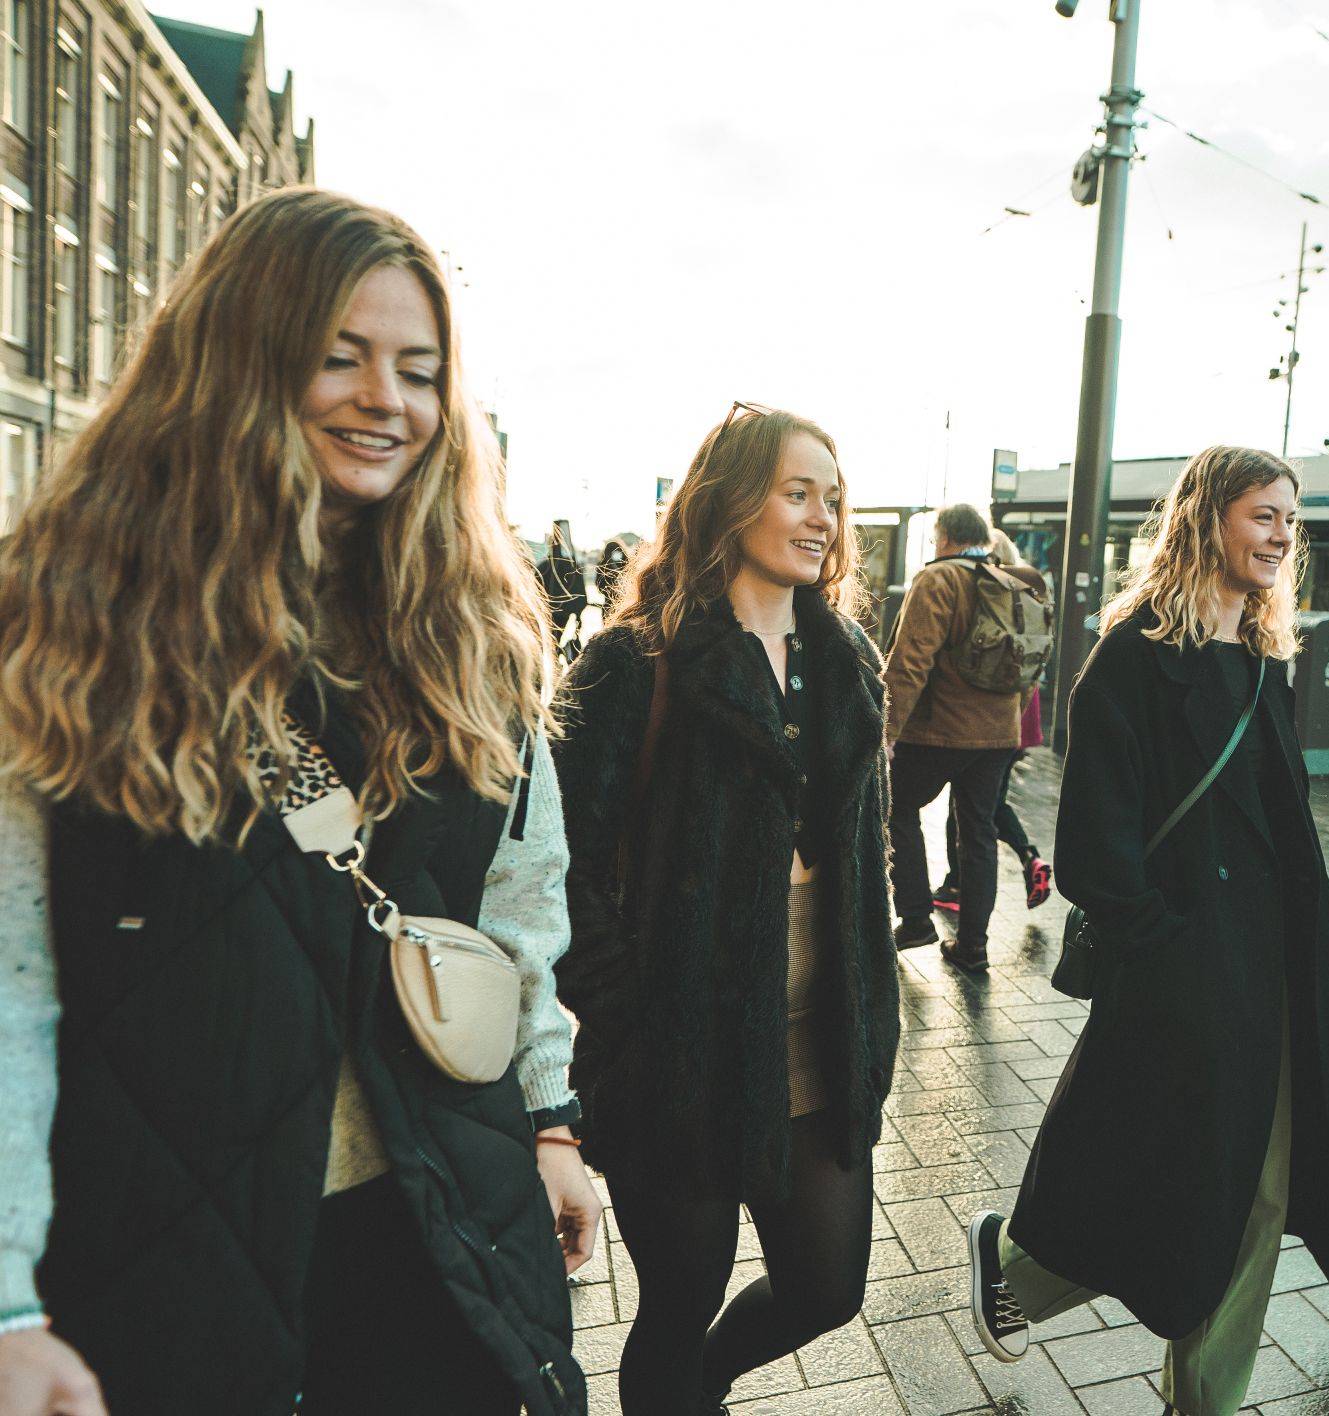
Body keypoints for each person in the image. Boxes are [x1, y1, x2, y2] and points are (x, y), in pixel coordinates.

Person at [0, 189, 595, 1416]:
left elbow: (521, 909)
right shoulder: (68, 635)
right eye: (343, 356)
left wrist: (550, 1125)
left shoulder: (469, 636)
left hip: (442, 1229)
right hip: (167, 1263)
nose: (390, 399)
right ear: (236, 359)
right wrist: (7, 1305)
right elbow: (13, 989)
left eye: (420, 371)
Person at [966, 446, 1329, 1416]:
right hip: (1182, 977)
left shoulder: (1264, 656)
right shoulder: (1133, 657)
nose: (1279, 536)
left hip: (1268, 977)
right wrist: (1169, 949)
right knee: (1158, 1183)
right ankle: (1016, 1270)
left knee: (1257, 1196)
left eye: (1289, 520)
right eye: (1262, 514)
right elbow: (1096, 848)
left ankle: (1204, 1402)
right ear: (1206, 520)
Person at [552, 402, 899, 1415]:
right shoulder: (635, 664)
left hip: (818, 1051)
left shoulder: (848, 663)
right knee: (676, 1301)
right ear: (731, 502)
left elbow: (863, 861)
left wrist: (874, 1013)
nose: (823, 518)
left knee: (827, 1291)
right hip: (681, 1065)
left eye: (833, 500)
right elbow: (559, 868)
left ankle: (700, 1388)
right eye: (798, 493)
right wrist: (631, 1016)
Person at [883, 504, 1047, 971]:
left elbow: (909, 663)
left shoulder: (939, 579)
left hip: (938, 732)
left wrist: (885, 732)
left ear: (945, 536)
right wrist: (1009, 722)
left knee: (895, 806)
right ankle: (972, 946)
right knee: (979, 834)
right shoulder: (1016, 583)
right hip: (997, 737)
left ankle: (915, 918)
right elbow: (1030, 665)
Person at [933, 529, 1053, 915]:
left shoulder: (990, 591)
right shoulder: (1027, 590)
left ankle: (957, 885)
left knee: (970, 806)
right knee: (989, 803)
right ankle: (1029, 858)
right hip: (1022, 713)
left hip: (993, 718)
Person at [537, 519, 589, 661]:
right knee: (554, 643)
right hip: (560, 615)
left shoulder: (545, 566)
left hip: (549, 615)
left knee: (550, 644)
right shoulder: (572, 566)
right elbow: (580, 593)